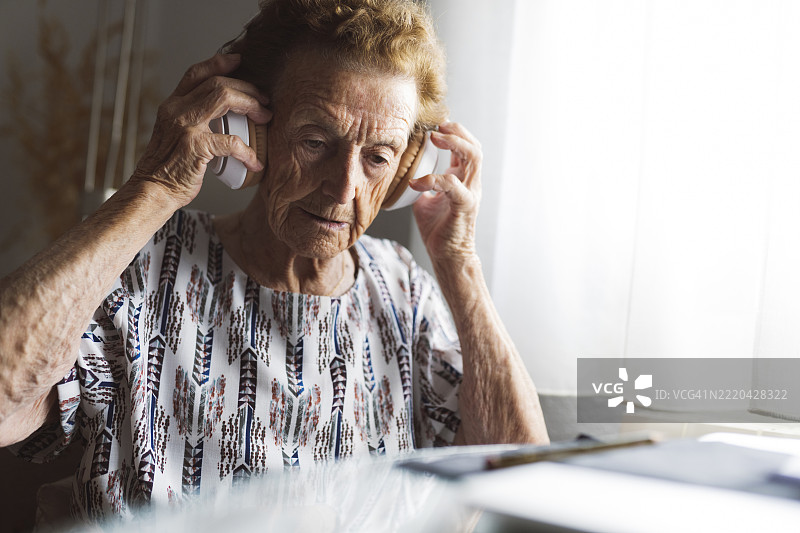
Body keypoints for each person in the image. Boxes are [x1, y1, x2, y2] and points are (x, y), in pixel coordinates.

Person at [0, 0, 548, 523]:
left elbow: (524, 487)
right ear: (249, 131)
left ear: (408, 171)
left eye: (378, 157)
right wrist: (155, 187)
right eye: (315, 141)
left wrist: (460, 262)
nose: (343, 189)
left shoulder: (405, 291)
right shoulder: (143, 271)